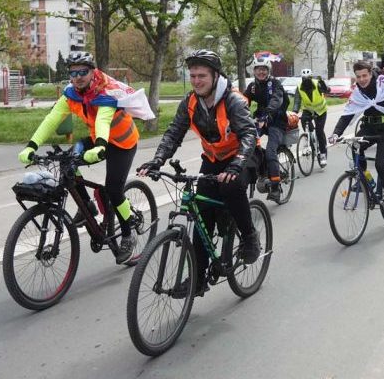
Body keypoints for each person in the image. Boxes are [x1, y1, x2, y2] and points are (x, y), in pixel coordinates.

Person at [138, 50, 261, 297]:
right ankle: (199, 278)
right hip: (213, 159)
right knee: (202, 215)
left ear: (215, 76)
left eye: (201, 75)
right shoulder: (191, 102)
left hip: (243, 157)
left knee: (230, 187)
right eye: (193, 76)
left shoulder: (233, 100)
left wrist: (236, 165)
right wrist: (158, 159)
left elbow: (249, 134)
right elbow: (174, 131)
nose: (196, 81)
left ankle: (249, 236)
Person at [18, 51, 145, 265]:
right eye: (73, 72)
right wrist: (31, 145)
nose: (78, 77)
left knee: (114, 189)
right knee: (69, 161)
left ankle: (127, 234)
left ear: (92, 71)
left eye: (83, 72)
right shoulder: (71, 95)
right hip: (99, 140)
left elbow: (103, 120)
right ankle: (88, 206)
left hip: (122, 142)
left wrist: (101, 146)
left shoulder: (105, 93)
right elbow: (51, 120)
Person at [328, 60, 384, 220]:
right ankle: (362, 179)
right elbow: (347, 114)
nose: (362, 79)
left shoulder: (383, 83)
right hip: (369, 127)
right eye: (358, 76)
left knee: (381, 165)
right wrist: (336, 133)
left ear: (370, 74)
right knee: (355, 147)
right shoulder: (357, 93)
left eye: (365, 75)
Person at [244, 57, 289, 202]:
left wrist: (267, 113)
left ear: (268, 71)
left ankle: (275, 187)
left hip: (277, 121)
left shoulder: (275, 84)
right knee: (247, 143)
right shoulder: (252, 86)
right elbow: (243, 101)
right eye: (258, 69)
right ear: (254, 71)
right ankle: (262, 170)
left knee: (271, 151)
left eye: (264, 69)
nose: (261, 72)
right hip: (261, 119)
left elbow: (277, 100)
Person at [292, 68, 330, 168]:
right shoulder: (299, 87)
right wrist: (294, 113)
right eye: (304, 78)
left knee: (319, 130)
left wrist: (324, 85)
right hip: (308, 110)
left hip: (321, 111)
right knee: (305, 123)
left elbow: (327, 90)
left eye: (308, 78)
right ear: (302, 78)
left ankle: (322, 154)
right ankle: (311, 142)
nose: (306, 80)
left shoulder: (317, 83)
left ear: (311, 77)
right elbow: (297, 101)